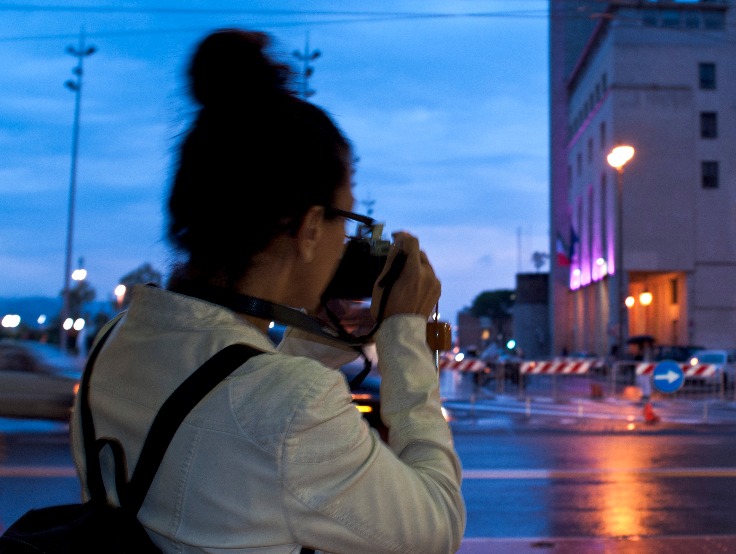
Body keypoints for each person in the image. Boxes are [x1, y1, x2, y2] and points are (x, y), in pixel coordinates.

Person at [69, 29, 465, 553]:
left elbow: (228, 391)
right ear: (308, 229)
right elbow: (435, 527)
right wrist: (405, 337)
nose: (346, 243)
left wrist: (324, 334)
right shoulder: (291, 406)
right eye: (348, 219)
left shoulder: (118, 340)